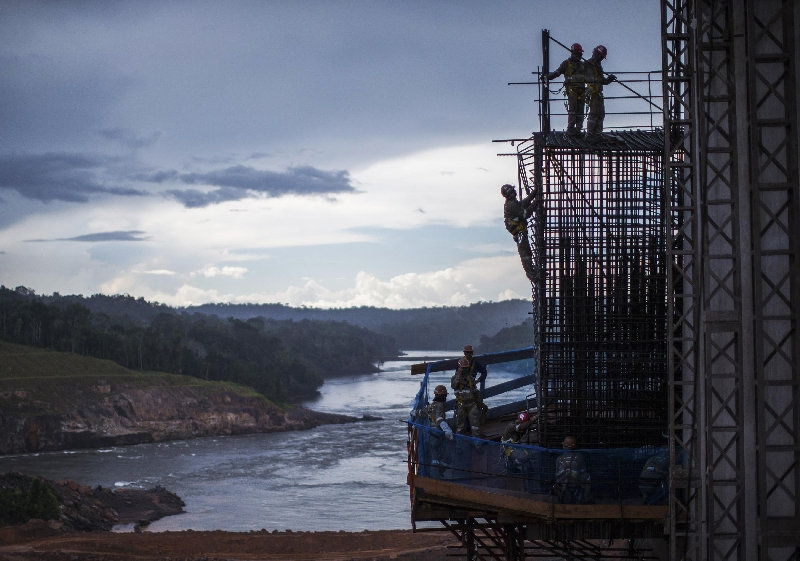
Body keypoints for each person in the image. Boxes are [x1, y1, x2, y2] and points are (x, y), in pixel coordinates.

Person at [546, 43, 586, 136]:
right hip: (572, 90)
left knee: (580, 111)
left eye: (580, 53)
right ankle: (571, 129)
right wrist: (548, 77)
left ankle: (578, 129)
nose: (580, 55)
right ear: (573, 53)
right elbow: (557, 72)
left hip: (582, 90)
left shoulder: (583, 65)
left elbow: (590, 76)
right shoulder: (566, 64)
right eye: (578, 53)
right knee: (573, 110)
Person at [501, 183, 537, 283]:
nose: (515, 192)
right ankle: (532, 274)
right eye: (513, 191)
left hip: (519, 231)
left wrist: (533, 194)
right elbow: (524, 214)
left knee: (526, 252)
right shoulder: (511, 205)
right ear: (510, 193)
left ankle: (533, 272)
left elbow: (523, 204)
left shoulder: (512, 203)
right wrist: (535, 204)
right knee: (525, 253)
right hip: (519, 232)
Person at [415, 384, 454, 477]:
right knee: (447, 457)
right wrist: (447, 429)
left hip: (430, 435)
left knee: (434, 458)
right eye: (445, 395)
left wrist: (413, 413)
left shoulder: (432, 406)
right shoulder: (440, 405)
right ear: (443, 396)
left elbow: (421, 413)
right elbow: (439, 419)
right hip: (437, 434)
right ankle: (439, 473)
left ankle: (433, 475)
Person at [584, 45, 617, 143]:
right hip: (592, 92)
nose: (602, 59)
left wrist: (609, 79)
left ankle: (597, 134)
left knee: (601, 114)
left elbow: (602, 81)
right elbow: (589, 79)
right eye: (601, 57)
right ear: (596, 54)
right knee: (594, 114)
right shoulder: (588, 64)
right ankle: (590, 135)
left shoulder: (598, 66)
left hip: (598, 92)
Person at [553, 436, 592, 504]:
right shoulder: (579, 456)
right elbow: (583, 471)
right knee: (587, 476)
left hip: (562, 484)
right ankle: (586, 498)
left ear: (564, 446)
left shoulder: (559, 458)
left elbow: (556, 474)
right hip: (574, 482)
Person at [451, 357, 482, 436]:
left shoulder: (470, 378)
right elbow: (454, 386)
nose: (464, 369)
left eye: (466, 368)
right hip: (461, 405)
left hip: (471, 404)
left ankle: (477, 444)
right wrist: (458, 375)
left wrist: (479, 404)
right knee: (460, 426)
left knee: (475, 426)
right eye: (463, 368)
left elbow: (475, 392)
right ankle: (459, 445)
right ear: (459, 368)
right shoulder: (454, 378)